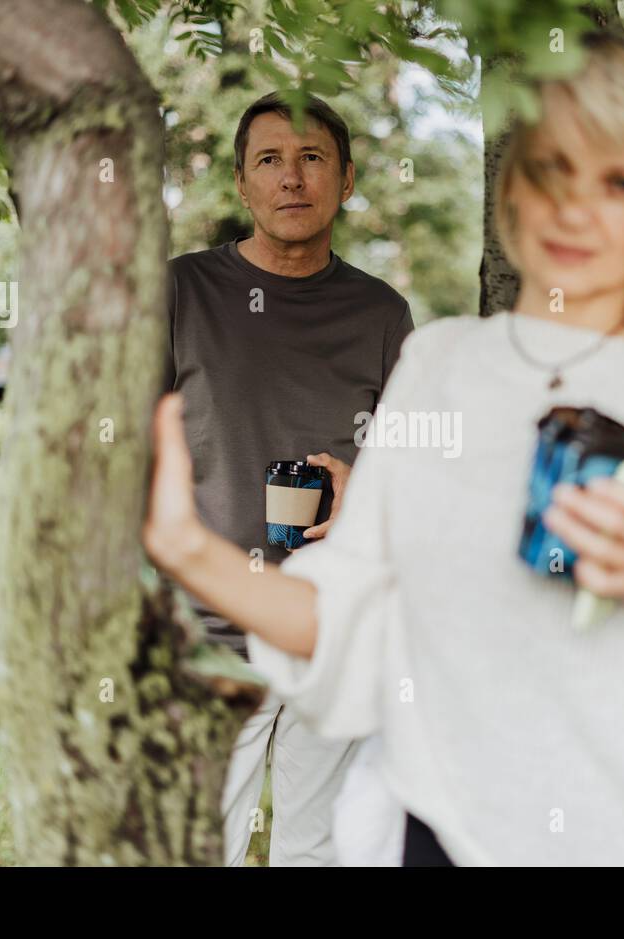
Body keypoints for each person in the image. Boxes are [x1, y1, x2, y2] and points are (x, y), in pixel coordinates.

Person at [147, 31, 624, 866]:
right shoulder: (444, 365)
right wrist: (190, 550)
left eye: (620, 182)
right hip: (448, 832)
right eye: (552, 169)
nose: (575, 209)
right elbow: (342, 616)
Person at [164, 90, 414, 866]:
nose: (292, 178)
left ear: (345, 180)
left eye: (313, 159)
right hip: (204, 635)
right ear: (241, 183)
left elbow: (414, 477)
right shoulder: (179, 293)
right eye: (270, 160)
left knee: (320, 850)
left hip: (331, 632)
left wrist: (360, 489)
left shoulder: (382, 315)